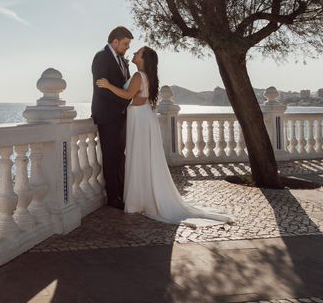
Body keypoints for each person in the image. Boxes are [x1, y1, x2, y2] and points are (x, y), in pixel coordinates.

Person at [97, 46, 233, 227]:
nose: (135, 54)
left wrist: (107, 85)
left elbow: (128, 94)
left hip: (139, 117)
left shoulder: (139, 76)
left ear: (144, 59)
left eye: (138, 53)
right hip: (144, 117)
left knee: (140, 157)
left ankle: (139, 199)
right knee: (144, 157)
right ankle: (142, 197)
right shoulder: (145, 76)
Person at [91, 26, 133, 209]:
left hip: (121, 116)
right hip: (107, 116)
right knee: (110, 156)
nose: (127, 47)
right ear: (115, 41)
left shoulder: (122, 61)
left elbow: (126, 86)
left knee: (119, 155)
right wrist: (124, 102)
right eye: (125, 44)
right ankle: (113, 197)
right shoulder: (101, 57)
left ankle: (123, 192)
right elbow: (101, 88)